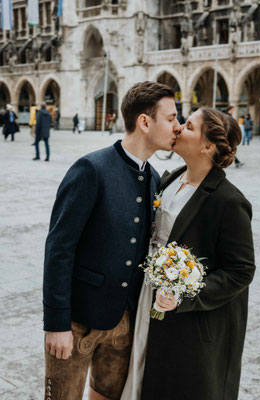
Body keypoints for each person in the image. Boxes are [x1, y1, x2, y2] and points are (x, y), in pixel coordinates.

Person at [43, 81, 180, 400]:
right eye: (171, 118)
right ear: (145, 122)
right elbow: (59, 249)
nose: (178, 125)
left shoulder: (154, 178)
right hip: (76, 324)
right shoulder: (91, 168)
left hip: (123, 324)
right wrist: (56, 324)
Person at [122, 108, 255, 400]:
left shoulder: (229, 201)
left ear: (207, 146)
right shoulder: (170, 178)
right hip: (150, 300)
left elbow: (241, 270)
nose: (179, 128)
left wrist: (184, 294)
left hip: (191, 322)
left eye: (189, 126)